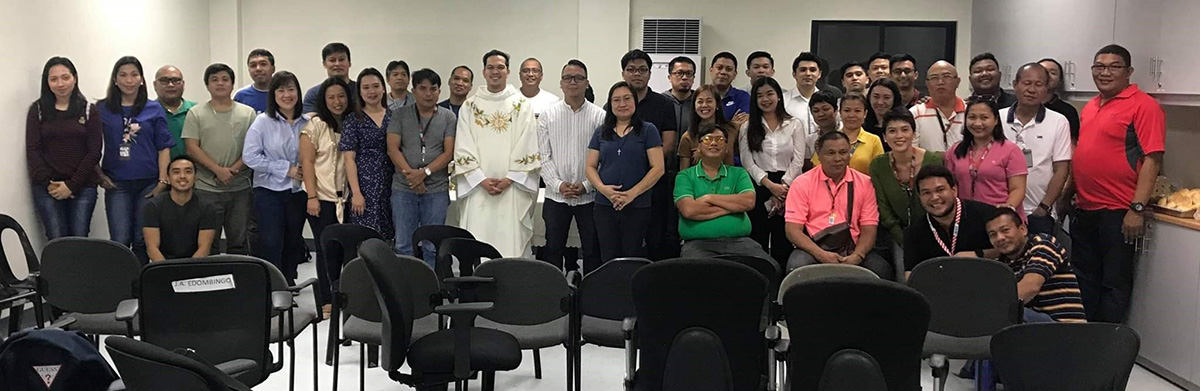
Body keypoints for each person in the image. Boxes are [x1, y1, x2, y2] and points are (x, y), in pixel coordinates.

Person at [1072, 44, 1165, 323]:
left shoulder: (1144, 106)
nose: (1105, 72)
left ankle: (1106, 349)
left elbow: (1153, 159)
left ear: (1129, 72)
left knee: (1114, 285)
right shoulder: (1091, 105)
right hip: (1085, 209)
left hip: (1118, 213)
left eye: (1114, 66)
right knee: (1083, 281)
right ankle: (1082, 340)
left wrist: (1136, 208)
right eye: (1099, 66)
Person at [453, 49, 542, 258]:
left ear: (508, 71)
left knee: (509, 243)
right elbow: (463, 144)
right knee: (478, 240)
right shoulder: (470, 106)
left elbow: (528, 143)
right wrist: (480, 180)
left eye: (500, 67)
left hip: (511, 189)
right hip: (478, 190)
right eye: (490, 67)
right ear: (483, 72)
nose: (495, 71)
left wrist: (510, 179)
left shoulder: (521, 104)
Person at [98, 56, 173, 264]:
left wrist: (162, 181)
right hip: (117, 183)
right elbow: (90, 145)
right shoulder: (102, 108)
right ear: (115, 79)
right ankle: (122, 288)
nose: (129, 80)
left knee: (142, 240)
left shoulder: (153, 108)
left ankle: (141, 287)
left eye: (134, 75)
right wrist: (99, 174)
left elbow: (164, 147)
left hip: (148, 183)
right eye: (123, 75)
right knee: (120, 239)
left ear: (142, 79)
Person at [785, 131, 890, 278]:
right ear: (819, 155)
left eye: (843, 152)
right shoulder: (802, 183)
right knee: (797, 267)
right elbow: (792, 230)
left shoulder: (865, 183)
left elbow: (869, 228)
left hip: (853, 247)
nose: (838, 158)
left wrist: (858, 256)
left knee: (881, 268)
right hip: (814, 247)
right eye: (830, 153)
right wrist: (820, 254)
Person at [182, 63, 256, 256]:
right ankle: (213, 282)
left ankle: (239, 281)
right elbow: (191, 147)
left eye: (225, 79)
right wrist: (218, 170)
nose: (220, 83)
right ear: (207, 85)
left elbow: (254, 147)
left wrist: (232, 170)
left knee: (239, 241)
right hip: (206, 188)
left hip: (240, 187)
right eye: (214, 79)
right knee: (208, 242)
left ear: (232, 84)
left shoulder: (248, 113)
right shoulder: (196, 113)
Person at [586, 82, 664, 262]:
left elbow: (658, 168)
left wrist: (631, 194)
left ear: (635, 102)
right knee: (607, 255)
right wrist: (603, 189)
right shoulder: (601, 132)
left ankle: (630, 290)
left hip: (638, 205)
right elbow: (590, 166)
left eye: (627, 99)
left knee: (632, 254)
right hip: (605, 205)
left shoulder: (648, 130)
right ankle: (610, 290)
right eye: (616, 100)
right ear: (610, 104)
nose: (622, 104)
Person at [538, 60, 604, 273]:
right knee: (553, 249)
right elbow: (543, 156)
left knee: (592, 249)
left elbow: (605, 158)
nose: (573, 82)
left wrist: (587, 185)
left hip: (590, 196)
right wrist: (558, 185)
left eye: (578, 78)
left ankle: (591, 297)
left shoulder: (600, 117)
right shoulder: (548, 115)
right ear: (561, 83)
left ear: (587, 83)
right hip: (556, 196)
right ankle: (553, 297)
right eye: (568, 78)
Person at [243, 70, 308, 284]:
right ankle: (273, 286)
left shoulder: (308, 123)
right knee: (271, 242)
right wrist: (285, 169)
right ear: (273, 94)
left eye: (291, 89)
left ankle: (288, 283)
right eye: (281, 90)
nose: (286, 94)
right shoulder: (263, 122)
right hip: (268, 191)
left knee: (293, 240)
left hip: (298, 191)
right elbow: (250, 157)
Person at [26, 57, 102, 240]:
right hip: (47, 188)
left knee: (79, 238)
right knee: (56, 239)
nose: (60, 84)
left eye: (65, 77)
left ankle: (80, 271)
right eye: (54, 79)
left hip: (83, 186)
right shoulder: (37, 110)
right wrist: (50, 185)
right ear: (47, 82)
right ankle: (59, 271)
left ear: (74, 78)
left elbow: (94, 152)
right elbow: (33, 149)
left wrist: (71, 185)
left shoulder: (89, 110)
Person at [387, 69, 456, 268]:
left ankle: (431, 290)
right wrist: (412, 177)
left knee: (432, 246)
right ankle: (406, 290)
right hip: (403, 189)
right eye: (422, 89)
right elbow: (393, 149)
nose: (428, 94)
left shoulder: (448, 117)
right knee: (403, 245)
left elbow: (448, 152)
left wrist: (424, 173)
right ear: (413, 91)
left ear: (439, 91)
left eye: (433, 89)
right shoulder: (400, 115)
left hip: (435, 190)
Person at [300, 77, 353, 317]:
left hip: (349, 197)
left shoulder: (353, 122)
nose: (337, 101)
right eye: (331, 97)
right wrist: (312, 196)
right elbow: (307, 162)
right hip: (321, 197)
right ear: (323, 100)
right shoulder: (315, 125)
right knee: (326, 250)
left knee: (349, 251)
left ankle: (349, 296)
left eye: (341, 96)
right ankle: (327, 299)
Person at [675, 124, 769, 260]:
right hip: (698, 244)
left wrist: (709, 198)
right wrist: (734, 207)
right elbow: (689, 210)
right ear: (699, 147)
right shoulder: (685, 176)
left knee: (768, 267)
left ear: (726, 148)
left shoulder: (739, 173)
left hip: (740, 243)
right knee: (699, 273)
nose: (714, 143)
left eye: (719, 139)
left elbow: (749, 202)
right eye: (707, 139)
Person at [739, 77, 806, 267]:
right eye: (760, 96)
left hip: (789, 186)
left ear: (778, 96)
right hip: (759, 185)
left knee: (783, 240)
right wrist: (769, 185)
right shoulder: (748, 126)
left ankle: (781, 288)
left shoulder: (794, 124)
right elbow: (747, 161)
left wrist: (783, 188)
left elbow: (798, 159)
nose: (765, 99)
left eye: (770, 94)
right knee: (757, 238)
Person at [999, 63, 1073, 235]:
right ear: (1015, 84)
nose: (1032, 89)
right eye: (1026, 83)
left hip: (1038, 212)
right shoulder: (998, 118)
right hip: (1001, 210)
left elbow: (1061, 170)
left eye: (1038, 84)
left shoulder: (1058, 121)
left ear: (1046, 88)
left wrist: (1044, 207)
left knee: (1039, 261)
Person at [621, 49, 680, 260]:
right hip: (623, 183)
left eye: (642, 70)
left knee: (656, 236)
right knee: (626, 239)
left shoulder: (663, 104)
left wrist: (648, 167)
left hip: (656, 182)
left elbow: (670, 142)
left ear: (649, 73)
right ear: (623, 73)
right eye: (631, 69)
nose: (637, 74)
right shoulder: (615, 103)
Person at [985, 207, 1086, 323]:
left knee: (1008, 311)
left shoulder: (1043, 244)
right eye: (993, 235)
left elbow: (1030, 288)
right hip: (1036, 327)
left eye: (1005, 230)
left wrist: (986, 309)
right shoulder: (1003, 262)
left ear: (1023, 229)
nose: (1000, 238)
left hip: (1064, 327)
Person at [869, 110, 943, 263]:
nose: (899, 136)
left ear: (914, 134)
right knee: (904, 274)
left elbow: (940, 201)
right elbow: (884, 210)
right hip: (897, 233)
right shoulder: (878, 165)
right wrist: (904, 239)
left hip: (934, 230)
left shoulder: (933, 160)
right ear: (884, 137)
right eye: (892, 131)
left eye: (905, 129)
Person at [944, 97, 1028, 216]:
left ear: (996, 120)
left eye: (984, 118)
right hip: (966, 218)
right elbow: (950, 185)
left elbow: (1018, 189)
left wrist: (1006, 210)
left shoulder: (1011, 150)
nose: (978, 123)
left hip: (1001, 218)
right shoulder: (955, 150)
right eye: (972, 117)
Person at [903, 165, 997, 271]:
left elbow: (1011, 248)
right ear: (920, 197)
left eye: (940, 190)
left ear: (954, 190)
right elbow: (910, 275)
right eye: (926, 193)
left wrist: (978, 254)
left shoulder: (987, 215)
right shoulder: (913, 233)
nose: (934, 197)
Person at [341, 68, 395, 240]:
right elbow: (349, 159)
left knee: (390, 235)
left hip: (391, 183)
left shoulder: (395, 117)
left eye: (375, 86)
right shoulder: (353, 120)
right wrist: (356, 192)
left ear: (383, 89)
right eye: (366, 87)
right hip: (364, 185)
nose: (371, 91)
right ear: (359, 92)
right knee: (365, 237)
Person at [142, 156, 219, 262]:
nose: (182, 176)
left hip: (196, 268)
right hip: (163, 267)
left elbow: (204, 249)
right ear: (168, 178)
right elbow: (152, 248)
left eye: (188, 172)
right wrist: (168, 271)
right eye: (176, 172)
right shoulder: (153, 206)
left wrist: (186, 274)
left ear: (195, 177)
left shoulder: (207, 206)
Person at [811, 92, 884, 175]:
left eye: (857, 111)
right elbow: (816, 170)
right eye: (847, 110)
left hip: (864, 187)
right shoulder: (828, 139)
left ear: (865, 114)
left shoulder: (874, 140)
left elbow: (880, 172)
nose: (852, 115)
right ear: (840, 112)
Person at [911, 60, 965, 152]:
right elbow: (912, 151)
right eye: (934, 78)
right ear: (927, 84)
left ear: (958, 81)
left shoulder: (970, 113)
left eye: (946, 76)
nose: (940, 82)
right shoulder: (915, 113)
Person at [679, 85, 736, 169]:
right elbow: (683, 173)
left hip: (729, 179)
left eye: (709, 101)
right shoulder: (688, 136)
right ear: (694, 106)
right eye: (700, 102)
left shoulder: (733, 129)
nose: (704, 105)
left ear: (717, 104)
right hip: (698, 181)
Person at [153, 65, 195, 158]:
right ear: (155, 85)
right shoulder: (147, 112)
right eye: (164, 81)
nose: (170, 85)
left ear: (183, 84)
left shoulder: (196, 110)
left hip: (193, 171)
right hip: (157, 171)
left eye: (176, 80)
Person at [302, 42, 356, 114]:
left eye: (341, 59)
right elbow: (309, 121)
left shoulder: (360, 90)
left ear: (349, 63)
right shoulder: (314, 94)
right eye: (332, 60)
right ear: (324, 64)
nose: (337, 64)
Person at [1037, 58, 1081, 140]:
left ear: (1059, 81)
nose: (1047, 75)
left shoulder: (1068, 111)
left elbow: (1072, 144)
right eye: (1043, 71)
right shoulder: (1019, 106)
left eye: (1053, 73)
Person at [782, 52, 822, 138]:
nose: (808, 74)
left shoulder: (827, 101)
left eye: (812, 70)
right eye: (803, 70)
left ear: (819, 74)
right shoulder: (783, 101)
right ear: (794, 74)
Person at [664, 56, 697, 158]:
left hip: (693, 166)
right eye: (679, 73)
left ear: (693, 78)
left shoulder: (700, 102)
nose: (684, 77)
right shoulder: (660, 102)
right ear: (669, 77)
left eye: (689, 74)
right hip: (663, 164)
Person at [710, 51, 750, 127]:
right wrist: (731, 124)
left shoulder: (742, 97)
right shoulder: (701, 95)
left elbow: (741, 124)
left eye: (729, 69)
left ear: (735, 74)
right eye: (719, 68)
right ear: (711, 70)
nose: (723, 72)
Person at [864, 78, 903, 148]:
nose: (880, 102)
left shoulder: (903, 124)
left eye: (886, 97)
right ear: (869, 97)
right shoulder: (863, 125)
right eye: (876, 97)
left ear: (894, 99)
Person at [234, 49, 275, 113]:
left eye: (263, 64)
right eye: (253, 65)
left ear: (273, 69)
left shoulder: (283, 95)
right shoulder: (241, 96)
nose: (258, 69)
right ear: (249, 70)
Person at [805, 90, 841, 160]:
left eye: (825, 109)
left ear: (836, 110)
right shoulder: (810, 140)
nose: (821, 114)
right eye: (816, 111)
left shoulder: (847, 133)